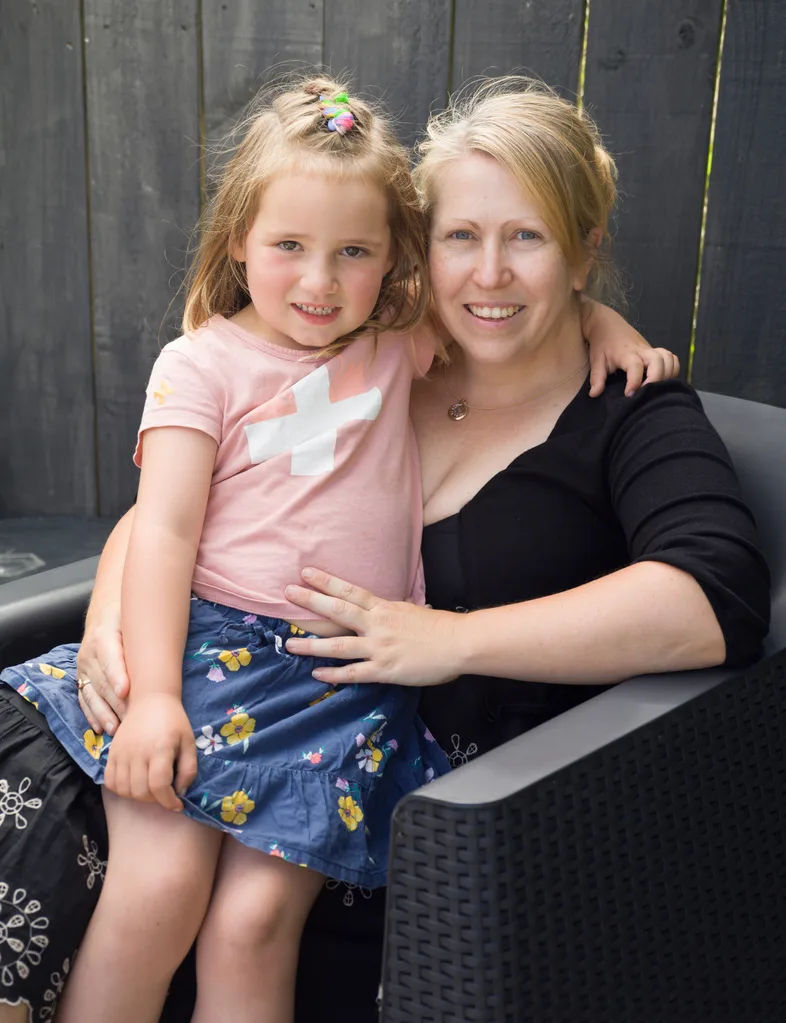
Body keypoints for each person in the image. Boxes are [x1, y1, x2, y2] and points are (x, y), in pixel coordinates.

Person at [0, 77, 687, 1023]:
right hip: (206, 663)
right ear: (239, 240)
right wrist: (153, 691)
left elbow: (524, 318)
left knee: (254, 926)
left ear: (388, 261)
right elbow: (161, 527)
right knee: (157, 895)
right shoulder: (200, 366)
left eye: (353, 253)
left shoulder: (391, 346)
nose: (320, 284)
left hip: (340, 693)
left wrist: (605, 322)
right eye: (290, 248)